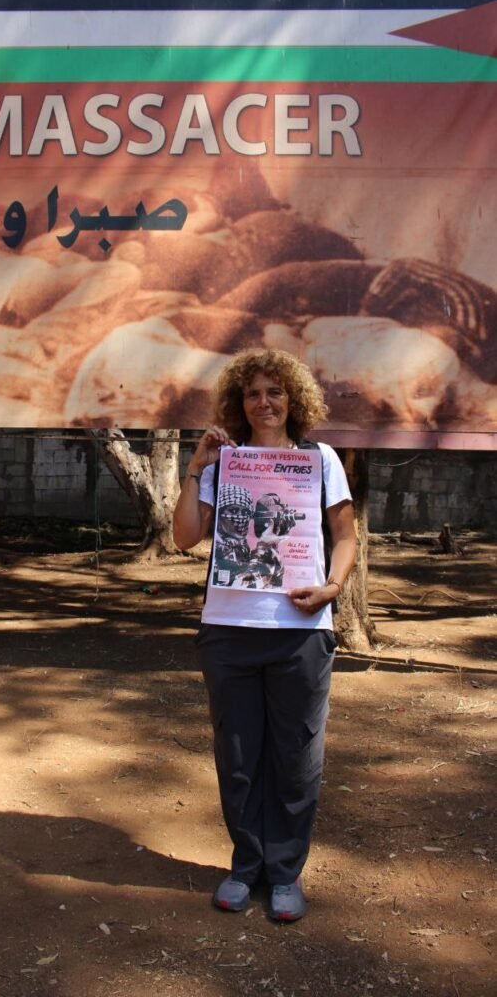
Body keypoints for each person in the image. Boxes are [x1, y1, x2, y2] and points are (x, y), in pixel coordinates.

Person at [172, 348, 357, 921]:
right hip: (229, 631)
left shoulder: (320, 459)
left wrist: (331, 587)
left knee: (296, 757)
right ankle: (245, 865)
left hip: (300, 632)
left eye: (275, 391)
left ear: (293, 398)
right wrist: (196, 469)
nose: (264, 402)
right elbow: (183, 539)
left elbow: (345, 537)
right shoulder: (224, 462)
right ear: (239, 402)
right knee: (238, 754)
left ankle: (284, 873)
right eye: (253, 393)